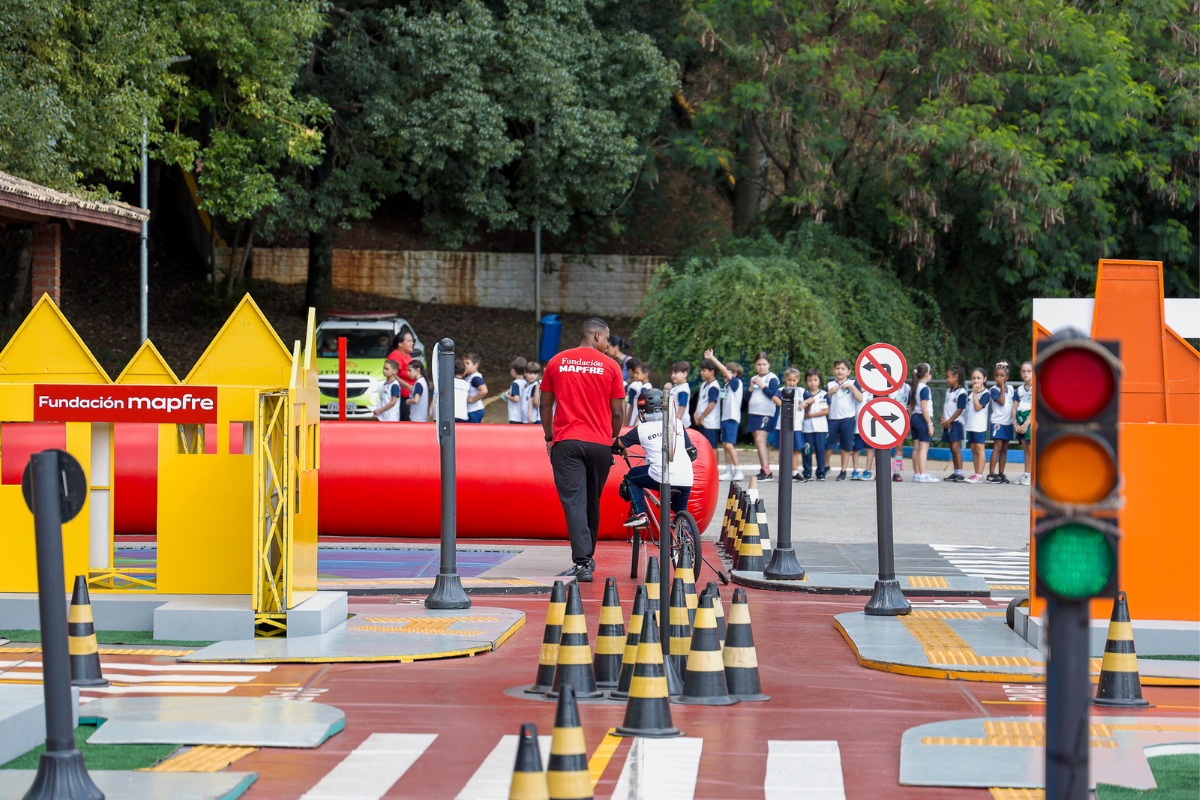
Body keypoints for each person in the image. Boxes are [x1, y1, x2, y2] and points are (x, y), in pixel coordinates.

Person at [539, 318, 626, 583]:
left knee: (574, 502)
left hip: (567, 443)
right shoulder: (611, 366)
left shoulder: (556, 362)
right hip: (600, 443)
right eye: (607, 339)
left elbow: (544, 405)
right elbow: (619, 410)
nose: (608, 344)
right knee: (591, 500)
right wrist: (612, 437)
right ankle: (587, 557)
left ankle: (583, 562)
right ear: (597, 335)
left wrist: (549, 436)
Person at [618, 388, 695, 528]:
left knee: (631, 477)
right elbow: (692, 452)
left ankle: (640, 513)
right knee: (681, 512)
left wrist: (618, 448)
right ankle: (688, 545)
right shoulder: (678, 423)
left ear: (642, 410)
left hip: (661, 476)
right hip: (686, 477)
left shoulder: (641, 429)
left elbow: (619, 443)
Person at [704, 349, 744, 481]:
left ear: (735, 374)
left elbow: (724, 371)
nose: (723, 373)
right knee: (725, 444)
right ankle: (728, 471)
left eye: (727, 371)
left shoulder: (736, 383)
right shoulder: (726, 386)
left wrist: (712, 358)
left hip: (732, 418)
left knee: (729, 445)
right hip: (725, 418)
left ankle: (738, 470)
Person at [744, 353, 781, 482]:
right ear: (755, 365)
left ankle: (767, 471)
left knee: (761, 441)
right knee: (758, 442)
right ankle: (763, 468)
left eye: (764, 364)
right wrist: (750, 388)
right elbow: (747, 398)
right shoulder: (754, 378)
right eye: (759, 364)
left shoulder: (772, 378)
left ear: (769, 365)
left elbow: (773, 394)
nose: (761, 367)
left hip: (765, 414)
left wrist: (762, 385)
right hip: (754, 412)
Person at [825, 359, 863, 480]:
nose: (840, 371)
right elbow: (825, 401)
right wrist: (829, 393)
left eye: (843, 369)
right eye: (837, 368)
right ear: (833, 371)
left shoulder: (853, 383)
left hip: (848, 418)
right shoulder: (830, 384)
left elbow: (860, 398)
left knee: (846, 445)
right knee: (828, 444)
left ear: (848, 371)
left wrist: (852, 387)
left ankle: (843, 470)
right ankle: (826, 466)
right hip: (833, 418)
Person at [908, 362, 938, 482]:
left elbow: (910, 406)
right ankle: (923, 474)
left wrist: (911, 420)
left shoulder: (914, 388)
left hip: (914, 417)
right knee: (923, 448)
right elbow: (924, 407)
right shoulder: (924, 388)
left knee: (916, 447)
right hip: (922, 418)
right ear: (927, 375)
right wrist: (929, 423)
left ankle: (917, 473)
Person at [988, 360, 1017, 483]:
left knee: (1005, 448)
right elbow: (1001, 401)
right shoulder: (994, 389)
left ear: (1007, 377)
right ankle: (991, 473)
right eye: (997, 375)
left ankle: (1001, 473)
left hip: (1008, 423)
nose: (999, 378)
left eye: (1002, 376)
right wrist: (1001, 388)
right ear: (994, 377)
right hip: (998, 423)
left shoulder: (1011, 388)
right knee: (998, 447)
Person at [964, 367, 992, 483]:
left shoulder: (986, 393)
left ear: (984, 379)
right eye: (974, 378)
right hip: (971, 425)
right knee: (973, 449)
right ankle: (976, 473)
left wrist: (975, 394)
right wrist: (974, 393)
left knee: (980, 449)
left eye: (979, 378)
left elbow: (978, 407)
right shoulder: (973, 393)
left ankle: (980, 475)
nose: (976, 380)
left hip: (979, 426)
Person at [941, 366, 968, 482]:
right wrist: (943, 418)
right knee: (952, 448)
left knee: (956, 448)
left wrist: (949, 421)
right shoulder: (948, 391)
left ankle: (960, 473)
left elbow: (960, 409)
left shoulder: (961, 392)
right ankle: (956, 471)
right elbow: (945, 406)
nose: (946, 379)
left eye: (948, 377)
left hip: (955, 423)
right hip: (947, 423)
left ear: (956, 378)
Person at [801, 368, 829, 481]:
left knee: (820, 450)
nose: (812, 383)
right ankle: (807, 472)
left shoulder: (824, 395)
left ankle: (821, 472)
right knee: (807, 450)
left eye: (815, 380)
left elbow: (826, 411)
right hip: (807, 428)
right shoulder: (804, 394)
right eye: (810, 380)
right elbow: (805, 411)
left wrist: (811, 416)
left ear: (819, 381)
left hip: (821, 427)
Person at [779, 367, 805, 480]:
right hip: (783, 425)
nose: (791, 382)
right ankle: (783, 473)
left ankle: (795, 472)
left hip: (797, 426)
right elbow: (774, 397)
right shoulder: (781, 390)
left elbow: (812, 399)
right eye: (789, 380)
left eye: (794, 380)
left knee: (795, 450)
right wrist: (783, 405)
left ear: (798, 380)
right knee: (783, 449)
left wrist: (805, 402)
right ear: (785, 379)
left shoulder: (802, 391)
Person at [386, 331, 417, 421]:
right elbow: (393, 375)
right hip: (402, 397)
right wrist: (408, 387)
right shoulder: (395, 356)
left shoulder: (407, 356)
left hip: (409, 396)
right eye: (409, 341)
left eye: (412, 341)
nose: (412, 343)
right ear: (400, 344)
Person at [1013, 361, 1034, 486]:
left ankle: (1033, 475)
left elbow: (1035, 407)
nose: (1026, 373)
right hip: (1020, 421)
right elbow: (1014, 408)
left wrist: (1027, 423)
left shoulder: (1036, 387)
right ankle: (1026, 474)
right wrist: (1016, 424)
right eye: (1023, 371)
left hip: (1029, 421)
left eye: (1028, 371)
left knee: (1031, 448)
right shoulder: (1019, 390)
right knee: (1025, 448)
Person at [693, 359, 722, 450]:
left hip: (710, 422)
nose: (701, 373)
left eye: (704, 370)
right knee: (704, 445)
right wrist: (696, 414)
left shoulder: (714, 386)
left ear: (712, 372)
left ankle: (714, 464)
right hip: (702, 421)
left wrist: (702, 417)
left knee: (712, 446)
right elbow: (701, 401)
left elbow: (711, 405)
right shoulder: (704, 385)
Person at [850, 383, 874, 480]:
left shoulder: (872, 391)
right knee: (856, 449)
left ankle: (868, 471)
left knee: (869, 449)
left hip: (868, 426)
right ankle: (855, 470)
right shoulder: (853, 388)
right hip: (856, 426)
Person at [890, 379, 911, 481]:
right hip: (887, 419)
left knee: (899, 446)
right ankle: (881, 471)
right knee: (885, 446)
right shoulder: (886, 386)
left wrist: (909, 421)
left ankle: (896, 472)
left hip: (901, 419)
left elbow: (908, 405)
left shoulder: (906, 387)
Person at [463, 352, 488, 423]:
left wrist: (473, 399)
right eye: (464, 363)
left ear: (475, 365)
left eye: (467, 363)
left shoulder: (475, 378)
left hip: (474, 410)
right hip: (471, 410)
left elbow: (484, 390)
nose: (465, 366)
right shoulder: (470, 377)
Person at [623, 359, 649, 426]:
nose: (635, 375)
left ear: (645, 375)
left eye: (637, 373)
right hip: (635, 421)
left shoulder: (644, 389)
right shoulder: (642, 387)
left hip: (636, 422)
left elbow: (641, 408)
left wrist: (635, 423)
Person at [666, 361, 692, 428]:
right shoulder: (676, 386)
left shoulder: (683, 389)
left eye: (676, 373)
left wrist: (677, 420)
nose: (673, 375)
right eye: (672, 373)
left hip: (681, 423)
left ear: (685, 374)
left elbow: (682, 406)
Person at [505, 357, 528, 424]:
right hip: (523, 416)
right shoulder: (525, 382)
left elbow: (516, 398)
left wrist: (507, 395)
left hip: (515, 416)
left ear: (513, 371)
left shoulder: (515, 383)